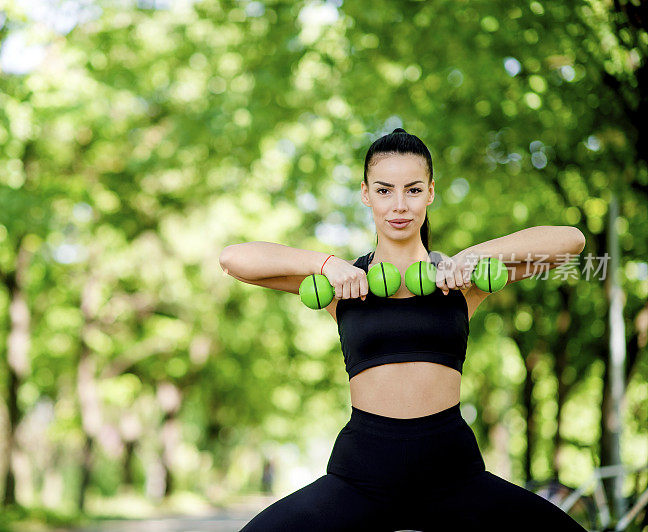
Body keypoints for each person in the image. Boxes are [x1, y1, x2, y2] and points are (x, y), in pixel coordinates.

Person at [218, 128, 588, 531]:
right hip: (359, 479)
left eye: (412, 191)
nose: (399, 205)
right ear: (365, 194)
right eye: (384, 190)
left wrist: (473, 255)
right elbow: (234, 259)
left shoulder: (462, 282)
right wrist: (325, 264)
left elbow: (571, 242)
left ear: (430, 193)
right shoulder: (343, 286)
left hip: (454, 477)